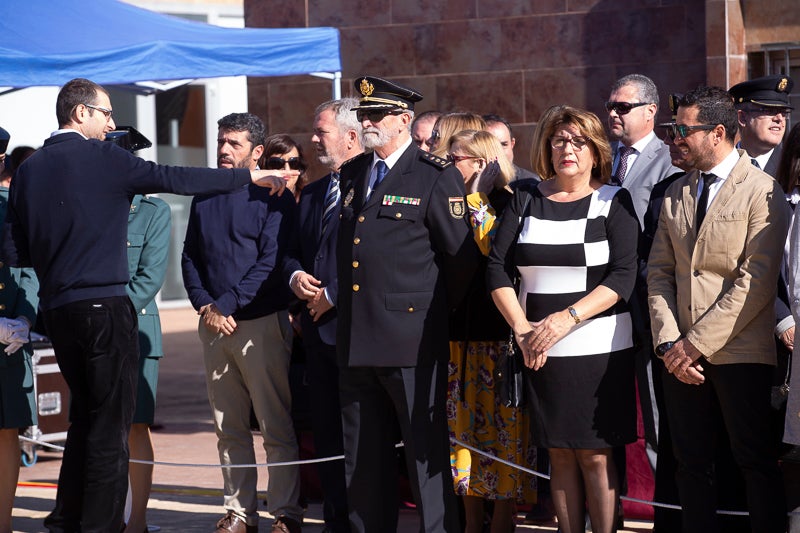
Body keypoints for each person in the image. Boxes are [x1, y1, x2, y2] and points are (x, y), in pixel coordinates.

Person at [0, 78, 291, 533]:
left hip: (57, 310)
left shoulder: (30, 170)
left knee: (85, 418)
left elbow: (16, 253)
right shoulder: (104, 158)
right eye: (106, 113)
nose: (111, 123)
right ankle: (98, 525)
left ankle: (66, 519)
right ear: (80, 113)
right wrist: (250, 175)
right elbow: (175, 177)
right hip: (102, 308)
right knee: (108, 429)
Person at [487, 105, 639, 533]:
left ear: (595, 150)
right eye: (559, 140)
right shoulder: (526, 197)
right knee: (557, 452)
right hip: (537, 348)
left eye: (577, 141)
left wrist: (565, 320)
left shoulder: (613, 201)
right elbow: (497, 268)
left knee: (594, 453)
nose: (567, 149)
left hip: (599, 348)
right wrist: (523, 330)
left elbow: (624, 275)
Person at [336, 75, 476, 532]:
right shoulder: (354, 172)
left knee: (424, 458)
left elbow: (460, 260)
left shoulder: (435, 174)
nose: (368, 122)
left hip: (411, 342)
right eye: (364, 114)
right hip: (358, 339)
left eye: (377, 115)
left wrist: (427, 313)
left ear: (404, 119)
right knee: (363, 461)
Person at [647, 86, 788, 533]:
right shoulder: (675, 193)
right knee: (690, 465)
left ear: (718, 132)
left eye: (682, 130)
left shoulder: (764, 192)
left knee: (754, 463)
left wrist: (694, 344)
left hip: (740, 354)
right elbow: (660, 274)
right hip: (679, 358)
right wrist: (671, 342)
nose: (674, 139)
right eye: (672, 130)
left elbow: (756, 282)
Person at [181, 112, 302, 533]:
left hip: (260, 322)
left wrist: (227, 305)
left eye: (233, 143)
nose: (224, 149)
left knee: (274, 425)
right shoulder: (206, 192)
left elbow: (270, 261)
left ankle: (285, 512)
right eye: (221, 141)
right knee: (228, 427)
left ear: (256, 152)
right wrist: (204, 305)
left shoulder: (276, 196)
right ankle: (238, 512)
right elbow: (190, 256)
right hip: (214, 324)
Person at [444, 129, 534, 533]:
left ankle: (502, 522)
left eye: (455, 159)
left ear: (479, 164)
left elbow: (496, 247)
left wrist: (477, 196)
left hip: (499, 336)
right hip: (457, 335)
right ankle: (470, 523)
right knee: (463, 436)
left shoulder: (509, 199)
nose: (448, 165)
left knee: (502, 435)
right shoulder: (447, 202)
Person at [283, 96, 363, 533]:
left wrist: (334, 294)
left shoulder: (371, 187)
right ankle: (335, 520)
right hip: (317, 334)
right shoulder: (312, 194)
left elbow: (376, 259)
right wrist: (296, 279)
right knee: (328, 436)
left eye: (321, 132)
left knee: (361, 437)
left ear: (351, 136)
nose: (312, 140)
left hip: (359, 332)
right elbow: (292, 253)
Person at [124, 192, 171, 533]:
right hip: (94, 328)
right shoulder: (91, 202)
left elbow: (151, 276)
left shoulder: (154, 210)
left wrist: (107, 312)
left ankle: (137, 522)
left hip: (136, 325)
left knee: (136, 426)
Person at [0, 125, 39, 533]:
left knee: (7, 432)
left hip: (8, 342)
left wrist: (25, 318)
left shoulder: (10, 207)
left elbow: (30, 270)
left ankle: (4, 523)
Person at [606, 74, 678, 227]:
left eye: (622, 107)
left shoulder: (671, 158)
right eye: (610, 107)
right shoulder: (598, 154)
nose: (613, 114)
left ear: (650, 111)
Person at [730, 74, 794, 175]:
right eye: (769, 110)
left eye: (783, 112)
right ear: (742, 118)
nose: (779, 118)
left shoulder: (792, 168)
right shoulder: (721, 165)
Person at [482, 113, 540, 183]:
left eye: (503, 145)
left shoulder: (531, 184)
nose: (499, 152)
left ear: (512, 144)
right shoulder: (468, 184)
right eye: (490, 146)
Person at [262, 133, 309, 202]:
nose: (287, 170)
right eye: (277, 163)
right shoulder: (255, 202)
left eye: (293, 163)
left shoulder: (310, 200)